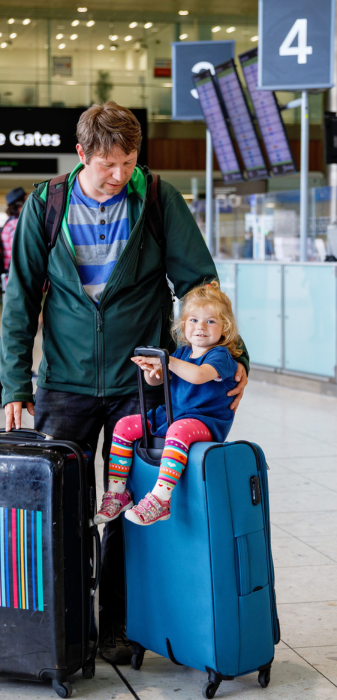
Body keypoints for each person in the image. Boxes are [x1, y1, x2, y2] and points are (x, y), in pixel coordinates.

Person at [0, 101, 249, 664]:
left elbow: (201, 289)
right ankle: (61, 624)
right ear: (82, 153)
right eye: (109, 163)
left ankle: (117, 625)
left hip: (143, 384)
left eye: (129, 161)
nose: (120, 175)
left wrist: (237, 361)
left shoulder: (158, 199)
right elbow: (19, 298)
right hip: (63, 382)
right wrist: (12, 386)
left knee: (129, 504)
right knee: (57, 507)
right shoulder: (47, 203)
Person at [95, 281, 241, 526]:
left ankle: (161, 498)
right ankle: (118, 492)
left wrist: (166, 360)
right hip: (173, 416)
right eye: (193, 320)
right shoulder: (182, 354)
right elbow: (155, 381)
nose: (200, 327)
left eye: (210, 321)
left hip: (204, 422)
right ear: (183, 325)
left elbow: (197, 375)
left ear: (224, 328)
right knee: (124, 426)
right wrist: (151, 369)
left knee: (178, 430)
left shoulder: (221, 356)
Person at [1, 187, 27, 272]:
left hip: (10, 277)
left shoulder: (8, 224)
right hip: (18, 278)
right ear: (20, 205)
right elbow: (20, 255)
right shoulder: (16, 224)